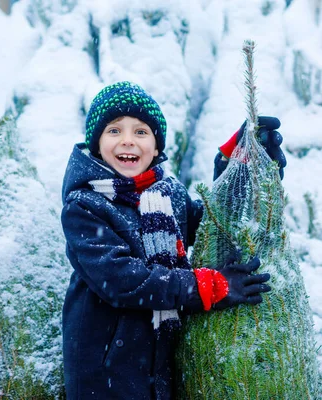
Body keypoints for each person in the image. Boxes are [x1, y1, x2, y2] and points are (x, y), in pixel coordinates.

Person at [60, 81, 286, 399]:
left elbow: (212, 226)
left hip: (157, 366)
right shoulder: (85, 206)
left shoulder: (167, 196)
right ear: (97, 143)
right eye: (114, 130)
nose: (128, 141)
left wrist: (238, 167)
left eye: (141, 132)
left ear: (156, 147)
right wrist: (208, 287)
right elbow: (121, 280)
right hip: (105, 372)